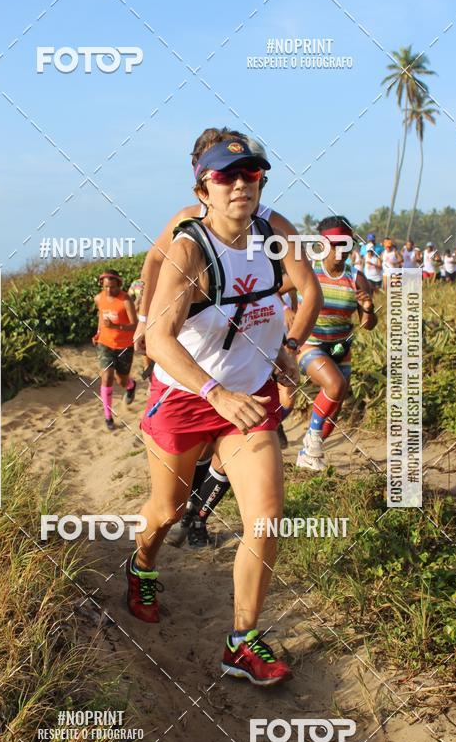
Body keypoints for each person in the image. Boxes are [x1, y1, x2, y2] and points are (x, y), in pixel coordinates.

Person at [126, 133, 322, 687]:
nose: (240, 184)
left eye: (252, 174)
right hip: (187, 400)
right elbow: (160, 340)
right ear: (202, 187)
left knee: (265, 517)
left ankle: (241, 642)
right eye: (225, 176)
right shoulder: (189, 246)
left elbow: (289, 301)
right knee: (167, 510)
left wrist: (285, 353)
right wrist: (213, 391)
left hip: (248, 400)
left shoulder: (271, 235)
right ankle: (142, 565)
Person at [294, 216, 377, 471]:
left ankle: (306, 454)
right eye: (335, 244)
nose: (341, 251)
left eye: (347, 245)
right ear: (323, 244)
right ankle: (310, 445)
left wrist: (368, 308)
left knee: (332, 413)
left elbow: (367, 325)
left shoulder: (357, 277)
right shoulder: (309, 270)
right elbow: (275, 289)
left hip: (341, 350)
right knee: (334, 384)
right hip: (310, 344)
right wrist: (287, 313)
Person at [92, 270, 137, 430]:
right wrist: (98, 332)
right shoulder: (99, 298)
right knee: (107, 377)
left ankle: (131, 385)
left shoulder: (125, 300)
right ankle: (108, 417)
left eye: (112, 287)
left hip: (124, 346)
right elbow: (100, 316)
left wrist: (116, 326)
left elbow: (135, 324)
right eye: (105, 287)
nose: (109, 290)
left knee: (122, 381)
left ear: (119, 284)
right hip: (105, 343)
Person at [128, 278, 154, 379]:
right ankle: (149, 375)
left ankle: (150, 374)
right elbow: (128, 298)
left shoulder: (156, 279)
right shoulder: (136, 284)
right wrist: (137, 301)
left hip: (152, 316)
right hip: (142, 318)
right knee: (145, 346)